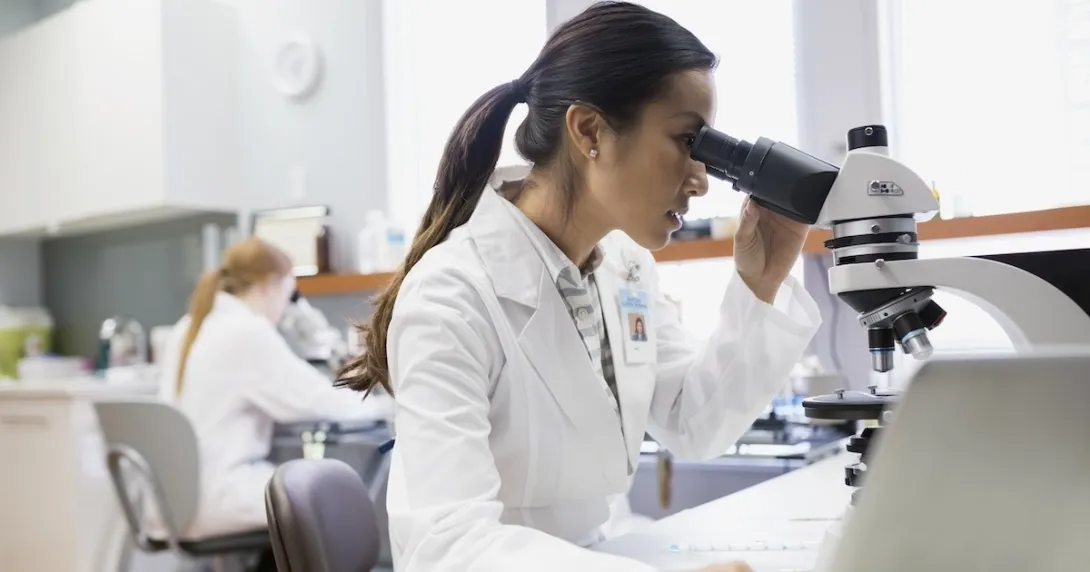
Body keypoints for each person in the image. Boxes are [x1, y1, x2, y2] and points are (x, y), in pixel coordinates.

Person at [337, 2, 821, 570]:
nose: (700, 179)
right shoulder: (452, 297)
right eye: (688, 142)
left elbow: (694, 422)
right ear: (589, 130)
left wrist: (759, 285)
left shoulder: (623, 266)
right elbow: (446, 545)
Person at [157, 237, 390, 550]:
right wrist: (384, 406)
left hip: (173, 499)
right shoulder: (247, 331)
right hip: (217, 497)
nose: (287, 305)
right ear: (270, 285)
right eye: (288, 292)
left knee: (304, 489)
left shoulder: (187, 326)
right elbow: (317, 401)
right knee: (328, 494)